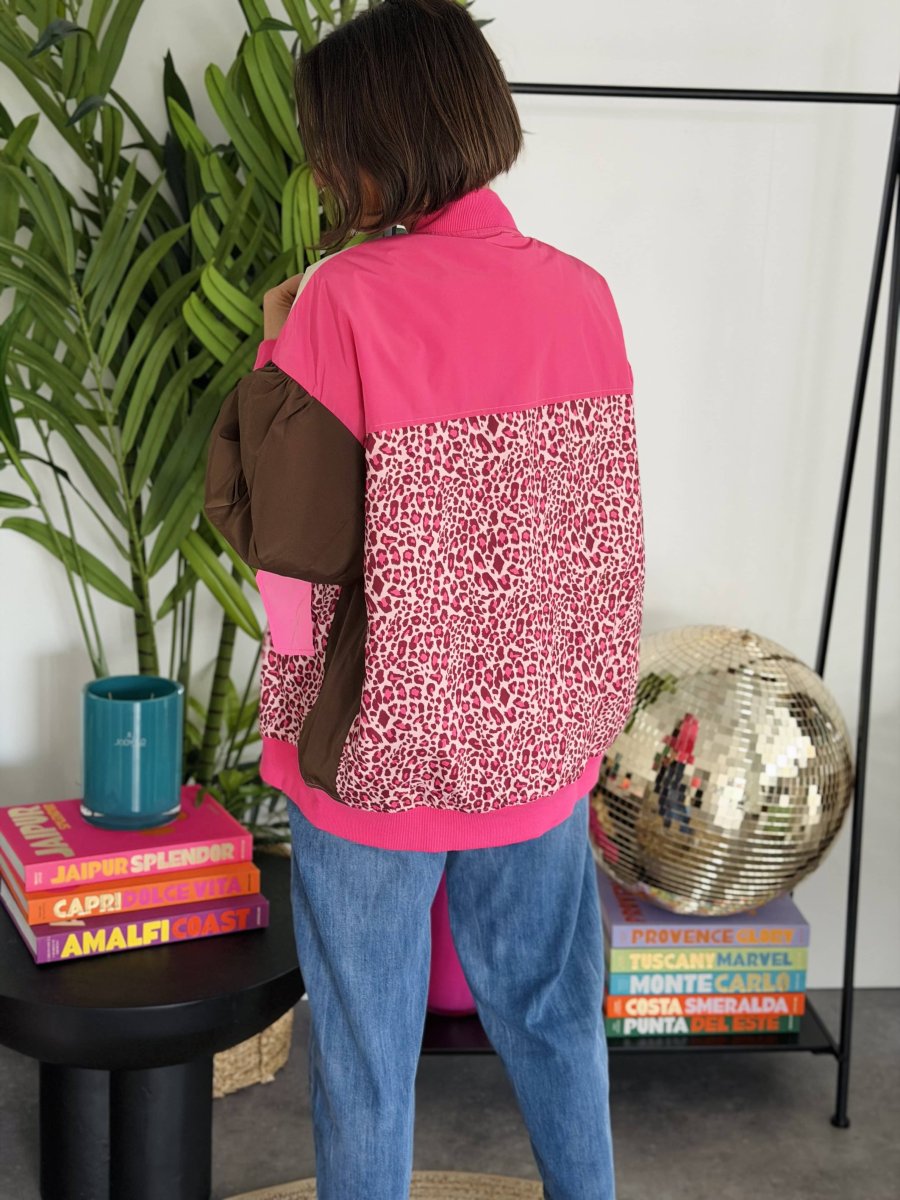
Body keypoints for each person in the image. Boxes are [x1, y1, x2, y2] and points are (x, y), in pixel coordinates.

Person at [203, 1, 645, 1197]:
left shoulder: (341, 300)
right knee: (555, 1017)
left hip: (376, 751)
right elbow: (594, 534)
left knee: (366, 1058)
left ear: (370, 143)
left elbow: (286, 543)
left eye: (324, 140)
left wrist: (275, 350)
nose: (316, 166)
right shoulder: (585, 294)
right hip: (538, 746)